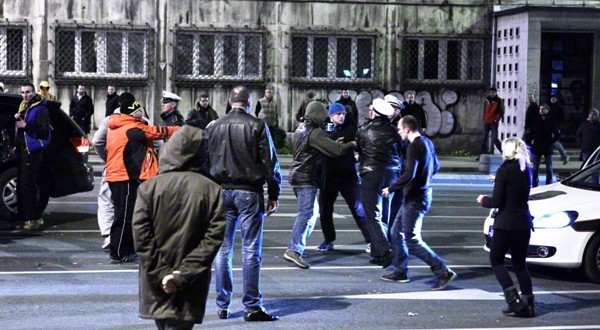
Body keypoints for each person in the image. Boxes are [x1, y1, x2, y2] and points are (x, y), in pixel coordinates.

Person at [133, 125, 226, 330]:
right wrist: (181, 275)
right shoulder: (211, 190)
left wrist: (161, 273)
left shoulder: (149, 187)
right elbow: (212, 239)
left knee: (163, 324)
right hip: (191, 282)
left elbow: (141, 235)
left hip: (156, 282)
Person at [204, 85, 281, 322]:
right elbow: (269, 162)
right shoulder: (257, 125)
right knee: (250, 250)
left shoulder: (213, 126)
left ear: (229, 102)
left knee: (223, 249)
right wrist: (273, 194)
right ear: (248, 103)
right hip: (249, 191)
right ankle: (251, 306)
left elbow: (204, 161)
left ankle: (222, 305)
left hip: (220, 191)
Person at [381, 115, 457, 290]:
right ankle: (400, 271)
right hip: (417, 196)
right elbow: (436, 166)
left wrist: (391, 188)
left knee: (412, 240)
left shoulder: (413, 146)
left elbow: (409, 174)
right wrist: (424, 179)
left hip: (415, 198)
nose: (398, 132)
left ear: (407, 129)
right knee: (395, 231)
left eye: (400, 129)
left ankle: (443, 271)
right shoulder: (427, 142)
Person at [105, 93, 180, 264]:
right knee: (124, 216)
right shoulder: (133, 128)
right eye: (138, 109)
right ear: (132, 112)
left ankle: (125, 249)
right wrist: (184, 130)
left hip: (119, 175)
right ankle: (119, 251)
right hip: (125, 177)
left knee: (126, 215)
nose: (142, 112)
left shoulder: (118, 125)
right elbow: (160, 132)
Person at [477, 137, 535, 318]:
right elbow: (516, 188)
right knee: (520, 264)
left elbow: (497, 201)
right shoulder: (525, 169)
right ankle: (528, 303)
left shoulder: (504, 170)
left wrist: (482, 200)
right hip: (523, 223)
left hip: (506, 223)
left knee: (496, 260)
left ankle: (513, 301)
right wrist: (499, 180)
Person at [315, 103, 370, 252]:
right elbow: (325, 142)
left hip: (347, 174)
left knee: (358, 207)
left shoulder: (351, 128)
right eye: (338, 114)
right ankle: (328, 239)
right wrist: (335, 143)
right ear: (331, 115)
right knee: (325, 210)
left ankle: (371, 240)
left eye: (343, 114)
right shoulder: (326, 127)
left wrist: (355, 151)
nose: (342, 116)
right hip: (329, 175)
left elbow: (357, 143)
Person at [356, 98, 402, 268]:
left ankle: (384, 249)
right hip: (391, 175)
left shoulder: (364, 130)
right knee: (384, 214)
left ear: (374, 112)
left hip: (372, 174)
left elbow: (359, 151)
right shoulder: (395, 131)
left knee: (372, 215)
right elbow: (401, 151)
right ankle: (377, 254)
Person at [13, 82, 50, 230]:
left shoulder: (40, 109)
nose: (25, 95)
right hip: (23, 150)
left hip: (33, 152)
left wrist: (26, 125)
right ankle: (22, 218)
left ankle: (33, 218)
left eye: (28, 92)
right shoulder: (24, 106)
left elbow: (43, 131)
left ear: (34, 92)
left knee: (28, 186)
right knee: (21, 185)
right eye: (22, 92)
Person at [527, 103, 559, 187]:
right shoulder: (536, 120)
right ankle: (534, 184)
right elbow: (530, 133)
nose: (541, 110)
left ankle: (549, 184)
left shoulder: (551, 120)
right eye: (540, 109)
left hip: (547, 146)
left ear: (547, 110)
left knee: (549, 168)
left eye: (543, 109)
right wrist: (530, 143)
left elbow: (556, 134)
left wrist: (551, 141)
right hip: (537, 146)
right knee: (535, 168)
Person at [478, 87, 504, 159]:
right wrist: (484, 118)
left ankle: (504, 153)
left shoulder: (499, 100)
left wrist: (496, 120)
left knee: (494, 139)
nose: (491, 94)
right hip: (487, 121)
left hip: (493, 122)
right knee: (484, 138)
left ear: (495, 93)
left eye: (493, 92)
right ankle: (481, 155)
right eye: (490, 92)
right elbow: (485, 110)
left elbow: (501, 111)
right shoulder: (487, 100)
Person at [548, 95, 568, 164]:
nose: (552, 100)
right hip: (549, 128)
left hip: (555, 128)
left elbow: (561, 118)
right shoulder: (549, 107)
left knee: (555, 143)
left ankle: (564, 157)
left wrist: (558, 127)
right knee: (549, 143)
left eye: (554, 98)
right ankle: (548, 157)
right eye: (551, 98)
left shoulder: (559, 108)